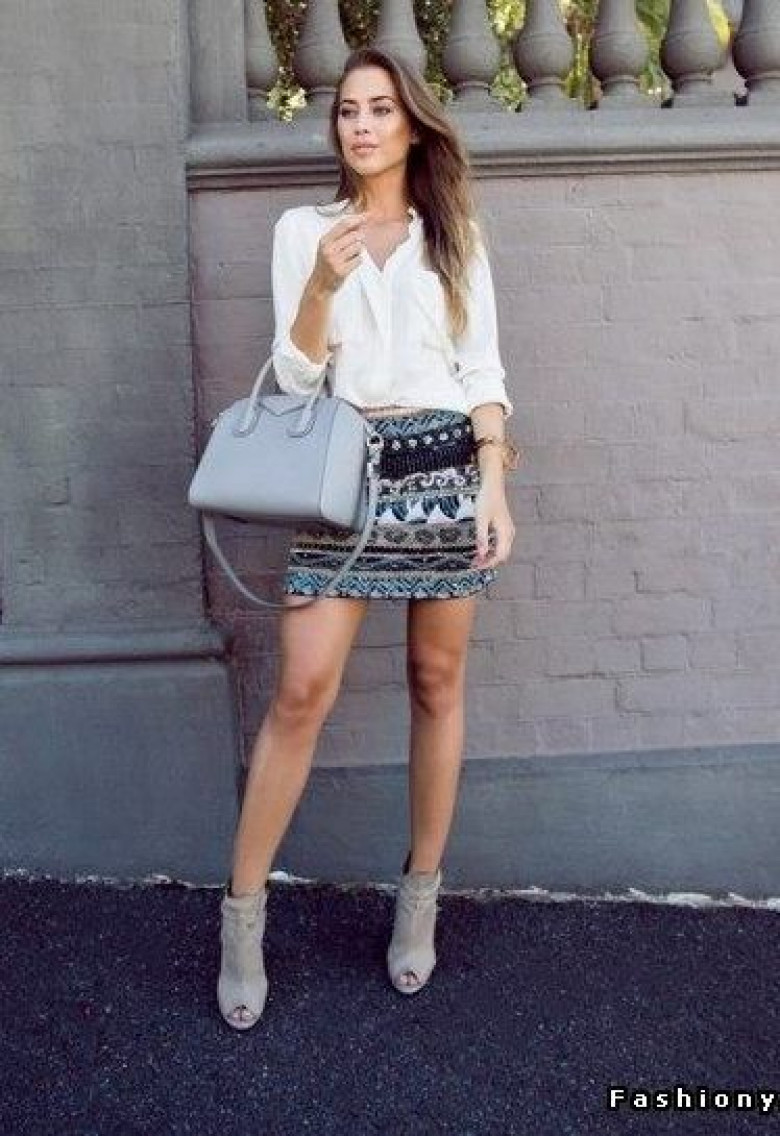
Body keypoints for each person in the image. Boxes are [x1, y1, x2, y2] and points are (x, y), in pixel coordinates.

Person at [217, 46, 516, 1030]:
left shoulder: (453, 232)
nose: (362, 125)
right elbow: (297, 378)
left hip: (444, 471)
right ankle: (242, 916)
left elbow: (481, 369)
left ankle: (419, 898)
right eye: (348, 110)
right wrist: (317, 286)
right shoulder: (304, 230)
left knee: (437, 682)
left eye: (381, 109)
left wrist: (492, 485)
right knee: (302, 690)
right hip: (343, 473)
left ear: (414, 124)